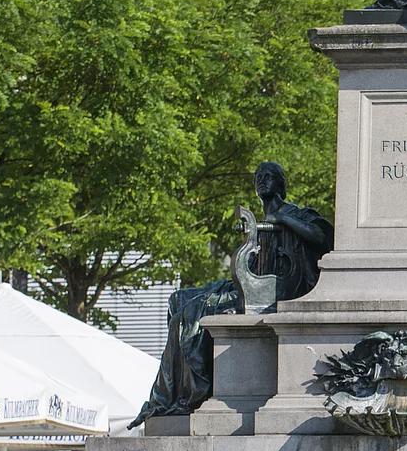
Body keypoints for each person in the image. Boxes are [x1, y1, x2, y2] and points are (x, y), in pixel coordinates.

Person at [133, 162, 332, 427]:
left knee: (191, 312)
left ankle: (194, 392)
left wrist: (283, 219)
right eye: (258, 177)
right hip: (253, 284)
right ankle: (171, 394)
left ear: (281, 185)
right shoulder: (259, 220)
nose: (261, 180)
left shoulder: (297, 214)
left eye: (268, 177)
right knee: (177, 300)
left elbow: (322, 237)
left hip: (278, 290)